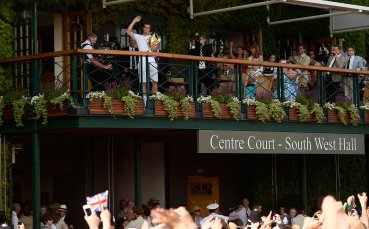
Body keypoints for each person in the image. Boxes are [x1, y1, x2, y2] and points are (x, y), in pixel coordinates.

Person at [127, 16, 159, 104]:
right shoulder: (138, 36)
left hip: (152, 61)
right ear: (143, 28)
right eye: (145, 27)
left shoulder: (153, 37)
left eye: (148, 28)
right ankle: (145, 102)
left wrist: (154, 47)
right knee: (144, 82)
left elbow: (156, 49)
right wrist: (134, 21)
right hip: (142, 61)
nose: (147, 29)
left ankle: (154, 102)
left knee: (155, 82)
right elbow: (128, 31)